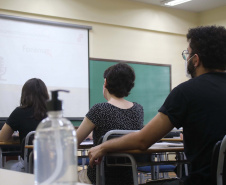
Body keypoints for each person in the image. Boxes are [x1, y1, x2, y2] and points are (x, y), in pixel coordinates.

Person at [88, 25, 226, 185]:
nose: (186, 59)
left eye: (187, 54)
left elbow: (143, 140)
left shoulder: (187, 92)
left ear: (196, 60)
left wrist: (103, 146)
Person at [76, 63, 144, 185]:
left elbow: (73, 142)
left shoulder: (99, 109)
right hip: (129, 179)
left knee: (70, 177)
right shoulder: (138, 110)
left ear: (105, 83)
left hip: (99, 178)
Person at [0, 78, 49, 170]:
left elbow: (2, 137)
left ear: (25, 95)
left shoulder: (19, 112)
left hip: (29, 165)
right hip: (51, 166)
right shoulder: (54, 115)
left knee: (8, 165)